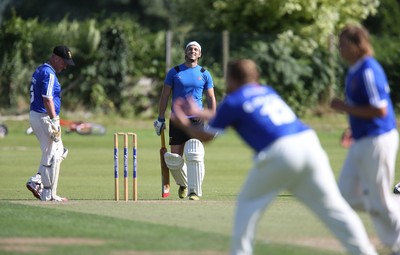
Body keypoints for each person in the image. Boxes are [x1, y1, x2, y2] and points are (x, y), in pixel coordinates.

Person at [171, 58, 377, 255]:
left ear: (232, 79)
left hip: (280, 153)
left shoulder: (234, 100)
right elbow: (228, 115)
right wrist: (199, 111)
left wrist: (182, 123)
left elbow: (206, 136)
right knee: (335, 209)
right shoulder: (266, 91)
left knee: (246, 207)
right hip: (309, 143)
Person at [331, 24, 400, 254]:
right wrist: (351, 123)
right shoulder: (354, 70)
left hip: (378, 139)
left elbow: (380, 110)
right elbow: (363, 108)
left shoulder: (368, 69)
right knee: (346, 196)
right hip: (362, 139)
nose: (340, 48)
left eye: (342, 44)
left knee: (381, 202)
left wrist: (344, 107)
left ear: (354, 44)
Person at [153, 41, 216, 200]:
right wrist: (160, 119)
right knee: (175, 160)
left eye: (195, 49)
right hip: (176, 120)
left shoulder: (204, 73)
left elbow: (211, 98)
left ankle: (194, 192)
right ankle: (183, 184)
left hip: (196, 120)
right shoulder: (174, 72)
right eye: (190, 49)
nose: (192, 51)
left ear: (199, 54)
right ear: (185, 52)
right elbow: (165, 96)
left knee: (194, 154)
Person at [26, 45, 75, 202]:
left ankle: (39, 182)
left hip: (39, 116)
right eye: (64, 62)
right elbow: (47, 99)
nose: (66, 66)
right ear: (55, 58)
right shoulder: (49, 73)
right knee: (54, 154)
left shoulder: (41, 69)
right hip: (44, 117)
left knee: (57, 151)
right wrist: (54, 120)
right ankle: (48, 193)